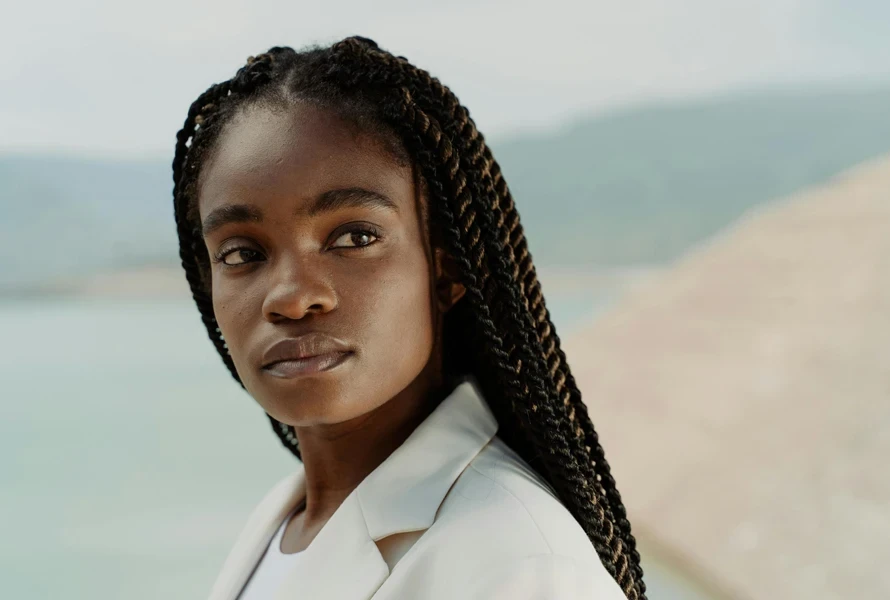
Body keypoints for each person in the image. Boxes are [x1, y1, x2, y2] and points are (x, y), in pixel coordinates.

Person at [171, 36, 645, 600]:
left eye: (354, 237)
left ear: (445, 273)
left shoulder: (519, 566)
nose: (292, 299)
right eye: (242, 254)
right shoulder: (283, 524)